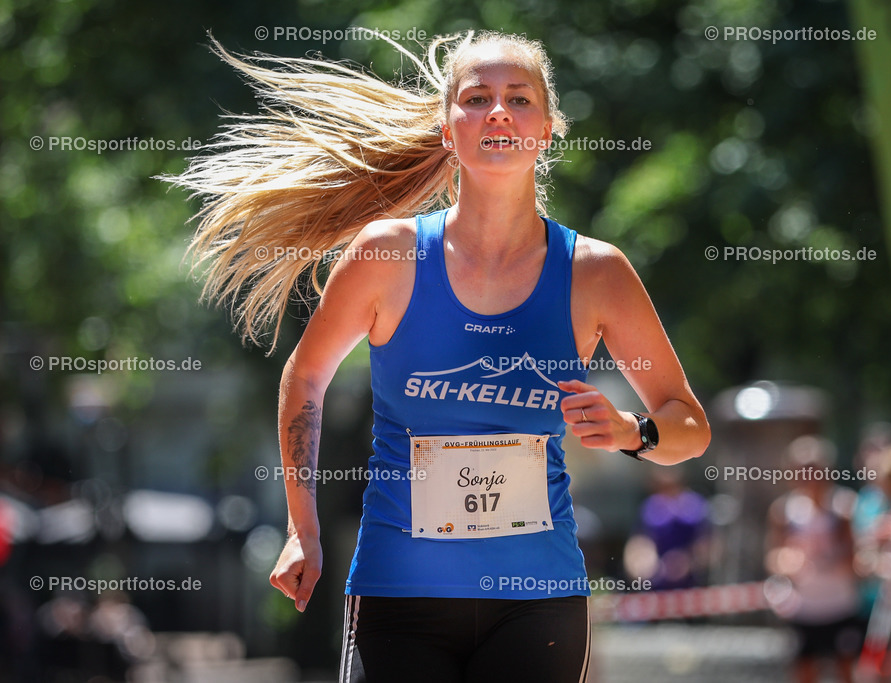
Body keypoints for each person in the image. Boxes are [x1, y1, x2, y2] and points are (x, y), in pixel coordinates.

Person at [166, 30, 710, 682]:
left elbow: (689, 424)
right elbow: (306, 375)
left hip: (537, 604)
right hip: (401, 596)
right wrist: (301, 528)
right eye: (477, 98)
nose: (499, 112)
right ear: (448, 129)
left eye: (519, 98)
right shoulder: (387, 256)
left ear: (548, 127)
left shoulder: (595, 272)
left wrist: (633, 432)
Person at [765, 435, 861, 683]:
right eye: (800, 471)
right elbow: (774, 557)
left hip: (840, 605)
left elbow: (855, 557)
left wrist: (827, 559)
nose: (807, 477)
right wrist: (788, 562)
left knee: (846, 670)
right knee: (804, 671)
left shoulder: (843, 507)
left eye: (812, 470)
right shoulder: (784, 511)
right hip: (804, 609)